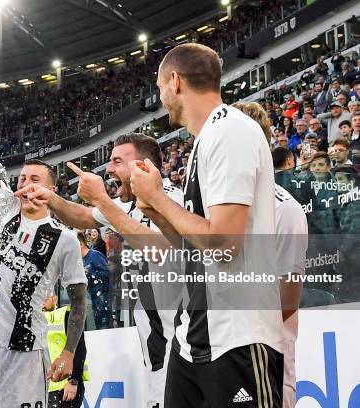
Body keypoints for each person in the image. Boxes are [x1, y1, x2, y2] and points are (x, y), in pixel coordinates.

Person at [129, 43, 284, 407]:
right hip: (193, 336)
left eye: (159, 87)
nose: (160, 97)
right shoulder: (204, 140)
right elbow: (193, 245)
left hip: (238, 335)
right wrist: (155, 209)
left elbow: (225, 242)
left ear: (175, 80)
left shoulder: (231, 130)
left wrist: (160, 198)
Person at [17, 133, 184, 408]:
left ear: (142, 166)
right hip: (154, 340)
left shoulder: (171, 201)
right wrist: (50, 198)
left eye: (117, 161)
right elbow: (82, 217)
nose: (108, 169)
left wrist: (101, 200)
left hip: (181, 342)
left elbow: (161, 253)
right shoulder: (127, 205)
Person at [0, 159, 87, 408]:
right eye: (22, 179)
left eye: (35, 180)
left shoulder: (65, 239)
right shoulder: (6, 211)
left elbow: (78, 301)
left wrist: (68, 353)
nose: (26, 184)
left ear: (51, 192)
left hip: (25, 351)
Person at [232, 101, 309, 408]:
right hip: (222, 352)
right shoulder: (218, 206)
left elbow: (288, 299)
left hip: (264, 355)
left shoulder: (284, 207)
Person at [44, 293, 89, 408]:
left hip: (64, 387)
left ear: (55, 299)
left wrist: (73, 381)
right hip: (44, 388)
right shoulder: (35, 320)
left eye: (45, 299)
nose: (42, 303)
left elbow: (79, 349)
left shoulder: (66, 315)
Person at [78, 232, 111, 329]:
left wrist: (89, 273)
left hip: (103, 297)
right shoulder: (82, 259)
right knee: (98, 324)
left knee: (103, 326)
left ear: (80, 244)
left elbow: (108, 273)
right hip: (93, 297)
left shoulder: (95, 255)